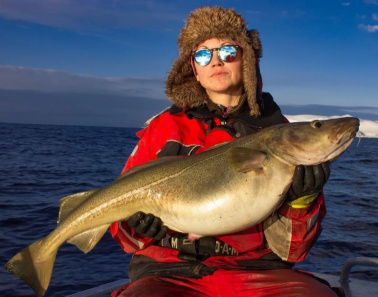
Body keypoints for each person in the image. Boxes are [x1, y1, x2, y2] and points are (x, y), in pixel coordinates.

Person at [110, 6, 342, 297]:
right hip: (169, 271)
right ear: (193, 67)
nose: (216, 61)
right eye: (204, 54)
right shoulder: (163, 128)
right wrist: (137, 227)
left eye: (228, 51)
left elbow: (294, 250)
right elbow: (125, 238)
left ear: (247, 59)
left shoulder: (280, 134)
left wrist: (302, 201)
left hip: (257, 270)